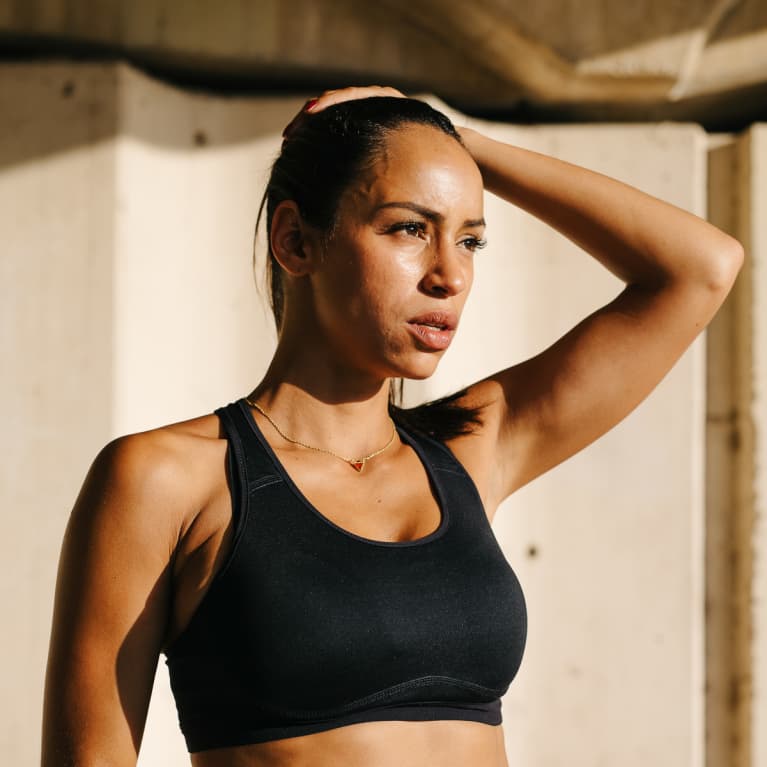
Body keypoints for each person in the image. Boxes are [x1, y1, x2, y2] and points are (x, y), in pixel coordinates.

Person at [41, 85, 743, 767]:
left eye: (469, 240)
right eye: (409, 228)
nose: (449, 274)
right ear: (295, 240)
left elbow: (700, 268)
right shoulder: (167, 477)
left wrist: (450, 139)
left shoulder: (468, 450)